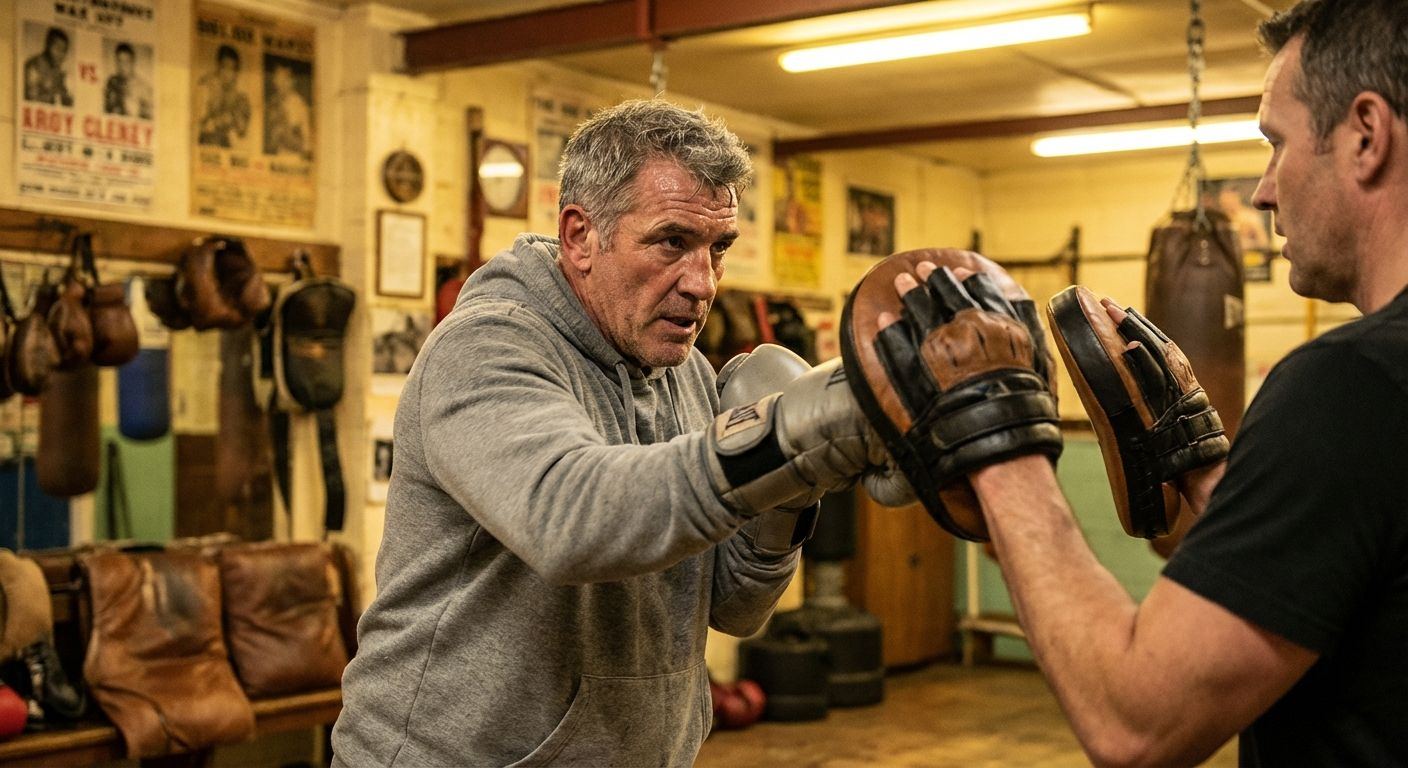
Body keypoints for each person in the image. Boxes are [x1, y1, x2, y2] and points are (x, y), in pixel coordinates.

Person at [884, 1, 1408, 764]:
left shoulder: (1351, 385)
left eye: (1276, 143)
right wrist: (1207, 476)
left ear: (1365, 135)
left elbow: (1137, 721)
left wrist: (994, 439)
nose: (1262, 192)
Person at [332, 99, 901, 766]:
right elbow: (569, 519)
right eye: (672, 242)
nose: (704, 283)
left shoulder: (684, 373)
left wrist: (790, 491)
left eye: (718, 248)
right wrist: (784, 435)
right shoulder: (485, 348)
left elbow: (734, 609)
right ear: (580, 236)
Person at [196, 45, 251, 148]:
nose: (227, 73)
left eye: (232, 69)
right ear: (218, 67)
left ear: (236, 73)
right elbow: (202, 123)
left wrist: (222, 121)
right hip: (205, 145)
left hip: (225, 149)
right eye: (224, 67)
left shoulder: (241, 98)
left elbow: (242, 130)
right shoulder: (206, 85)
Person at [264, 63, 311, 159]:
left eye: (284, 79)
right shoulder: (273, 102)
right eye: (277, 78)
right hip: (276, 158)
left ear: (292, 81)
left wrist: (283, 135)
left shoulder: (298, 105)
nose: (279, 83)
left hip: (294, 160)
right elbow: (269, 143)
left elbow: (305, 146)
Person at [23, 27, 74, 107]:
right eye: (58, 48)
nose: (61, 54)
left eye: (64, 50)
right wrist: (54, 95)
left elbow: (65, 98)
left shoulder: (57, 71)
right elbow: (31, 99)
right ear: (48, 45)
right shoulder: (33, 66)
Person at [104, 42, 153, 120]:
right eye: (119, 61)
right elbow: (106, 109)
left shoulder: (143, 87)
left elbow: (148, 116)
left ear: (132, 62)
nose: (122, 66)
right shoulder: (111, 82)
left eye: (126, 62)